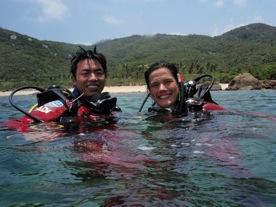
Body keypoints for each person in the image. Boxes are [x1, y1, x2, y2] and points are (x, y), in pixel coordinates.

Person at [7, 47, 121, 132]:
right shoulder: (62, 106)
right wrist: (41, 131)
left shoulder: (109, 107)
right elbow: (13, 125)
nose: (93, 78)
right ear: (74, 79)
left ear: (105, 76)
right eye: (85, 73)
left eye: (98, 73)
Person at [140, 60, 223, 116]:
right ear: (149, 91)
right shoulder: (152, 114)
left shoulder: (205, 108)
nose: (161, 88)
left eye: (168, 81)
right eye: (155, 85)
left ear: (179, 84)